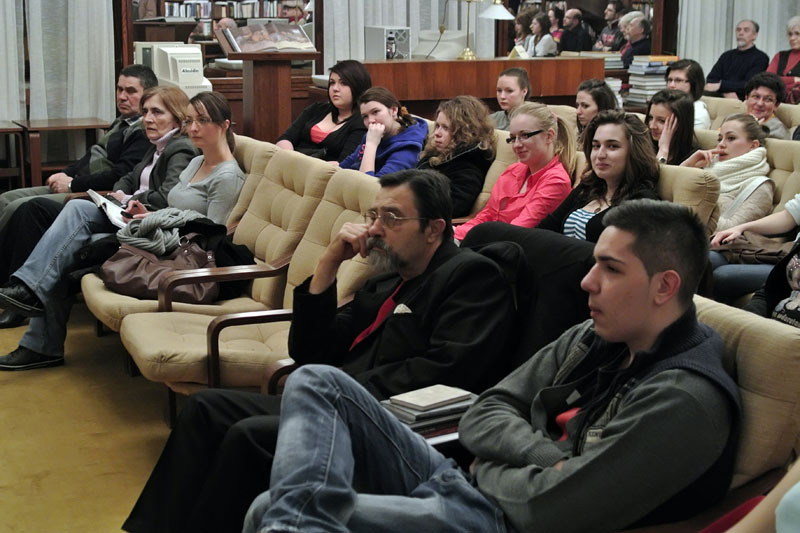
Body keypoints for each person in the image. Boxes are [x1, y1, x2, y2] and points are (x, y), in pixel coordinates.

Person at [243, 198, 741, 533]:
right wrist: (542, 456)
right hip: (467, 479)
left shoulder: (683, 398)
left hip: (498, 519)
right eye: (593, 263)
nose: (587, 282)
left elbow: (547, 510)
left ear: (664, 286)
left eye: (610, 269)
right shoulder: (596, 336)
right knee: (315, 380)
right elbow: (486, 410)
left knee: (271, 509)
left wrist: (490, 466)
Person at [122, 169, 516, 533]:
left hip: (389, 421)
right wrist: (329, 263)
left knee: (248, 435)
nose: (376, 229)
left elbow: (448, 369)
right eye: (374, 215)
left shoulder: (471, 275)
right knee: (205, 408)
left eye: (392, 218)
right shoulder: (385, 281)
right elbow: (310, 351)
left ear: (434, 229)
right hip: (331, 401)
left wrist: (345, 391)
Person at [0, 87, 226, 370]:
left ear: (177, 118)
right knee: (70, 223)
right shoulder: (161, 147)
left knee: (68, 232)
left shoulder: (180, 149)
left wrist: (131, 200)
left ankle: (37, 326)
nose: (148, 118)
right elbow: (127, 178)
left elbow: (171, 200)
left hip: (156, 233)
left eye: (157, 112)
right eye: (145, 112)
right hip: (135, 218)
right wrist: (123, 195)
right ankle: (32, 304)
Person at [0, 65, 156, 235]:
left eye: (130, 91)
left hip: (91, 194)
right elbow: (91, 157)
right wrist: (63, 174)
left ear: (147, 95)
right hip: (77, 184)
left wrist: (70, 184)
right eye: (119, 89)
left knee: (18, 207)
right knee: (5, 199)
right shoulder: (122, 122)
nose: (122, 97)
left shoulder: (144, 131)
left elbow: (118, 176)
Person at [454, 101, 576, 242]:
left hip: (513, 248)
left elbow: (515, 231)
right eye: (513, 138)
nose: (517, 145)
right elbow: (486, 216)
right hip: (488, 242)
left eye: (525, 135)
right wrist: (455, 233)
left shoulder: (556, 181)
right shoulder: (514, 169)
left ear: (549, 136)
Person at [682, 113, 772, 232]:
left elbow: (730, 229)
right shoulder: (705, 169)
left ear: (753, 145)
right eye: (720, 139)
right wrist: (687, 166)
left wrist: (686, 205)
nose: (721, 144)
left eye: (731, 138)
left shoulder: (760, 187)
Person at [710, 194, 800, 309]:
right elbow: (788, 217)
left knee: (723, 276)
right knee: (709, 259)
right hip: (784, 255)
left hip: (788, 268)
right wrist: (740, 228)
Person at [276, 59, 371, 162]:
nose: (335, 88)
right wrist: (291, 158)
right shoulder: (317, 108)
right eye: (332, 83)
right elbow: (286, 138)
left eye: (343, 83)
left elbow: (344, 164)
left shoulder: (361, 123)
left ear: (358, 86)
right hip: (292, 163)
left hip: (323, 170)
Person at [416, 96, 496, 217]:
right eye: (437, 126)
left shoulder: (469, 164)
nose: (437, 133)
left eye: (445, 128)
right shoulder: (437, 155)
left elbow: (453, 207)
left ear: (464, 132)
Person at [338, 87, 428, 177]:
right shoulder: (374, 135)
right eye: (365, 116)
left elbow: (369, 184)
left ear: (394, 110)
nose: (370, 120)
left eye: (375, 112)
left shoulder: (409, 147)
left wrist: (371, 145)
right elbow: (344, 166)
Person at [705, 20, 770, 100]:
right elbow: (711, 79)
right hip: (720, 95)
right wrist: (725, 92)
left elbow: (750, 85)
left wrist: (721, 86)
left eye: (746, 30)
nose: (741, 33)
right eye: (738, 30)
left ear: (754, 35)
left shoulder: (761, 58)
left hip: (742, 99)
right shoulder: (726, 55)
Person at [647, 89, 698, 165]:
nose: (652, 126)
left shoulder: (694, 157)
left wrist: (663, 149)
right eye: (651, 118)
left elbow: (657, 172)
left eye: (662, 121)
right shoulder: (643, 147)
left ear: (680, 123)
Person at [666, 59, 712, 129]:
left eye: (678, 80)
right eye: (670, 80)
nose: (671, 85)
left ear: (693, 84)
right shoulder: (667, 105)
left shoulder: (698, 114)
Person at [745, 72, 791, 139]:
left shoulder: (777, 132)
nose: (760, 103)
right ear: (747, 99)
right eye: (756, 96)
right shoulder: (735, 120)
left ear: (776, 105)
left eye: (768, 99)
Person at [766, 16, 800, 105]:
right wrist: (794, 80)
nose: (792, 38)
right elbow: (767, 79)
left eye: (797, 34)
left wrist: (778, 82)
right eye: (790, 34)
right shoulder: (780, 55)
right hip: (773, 102)